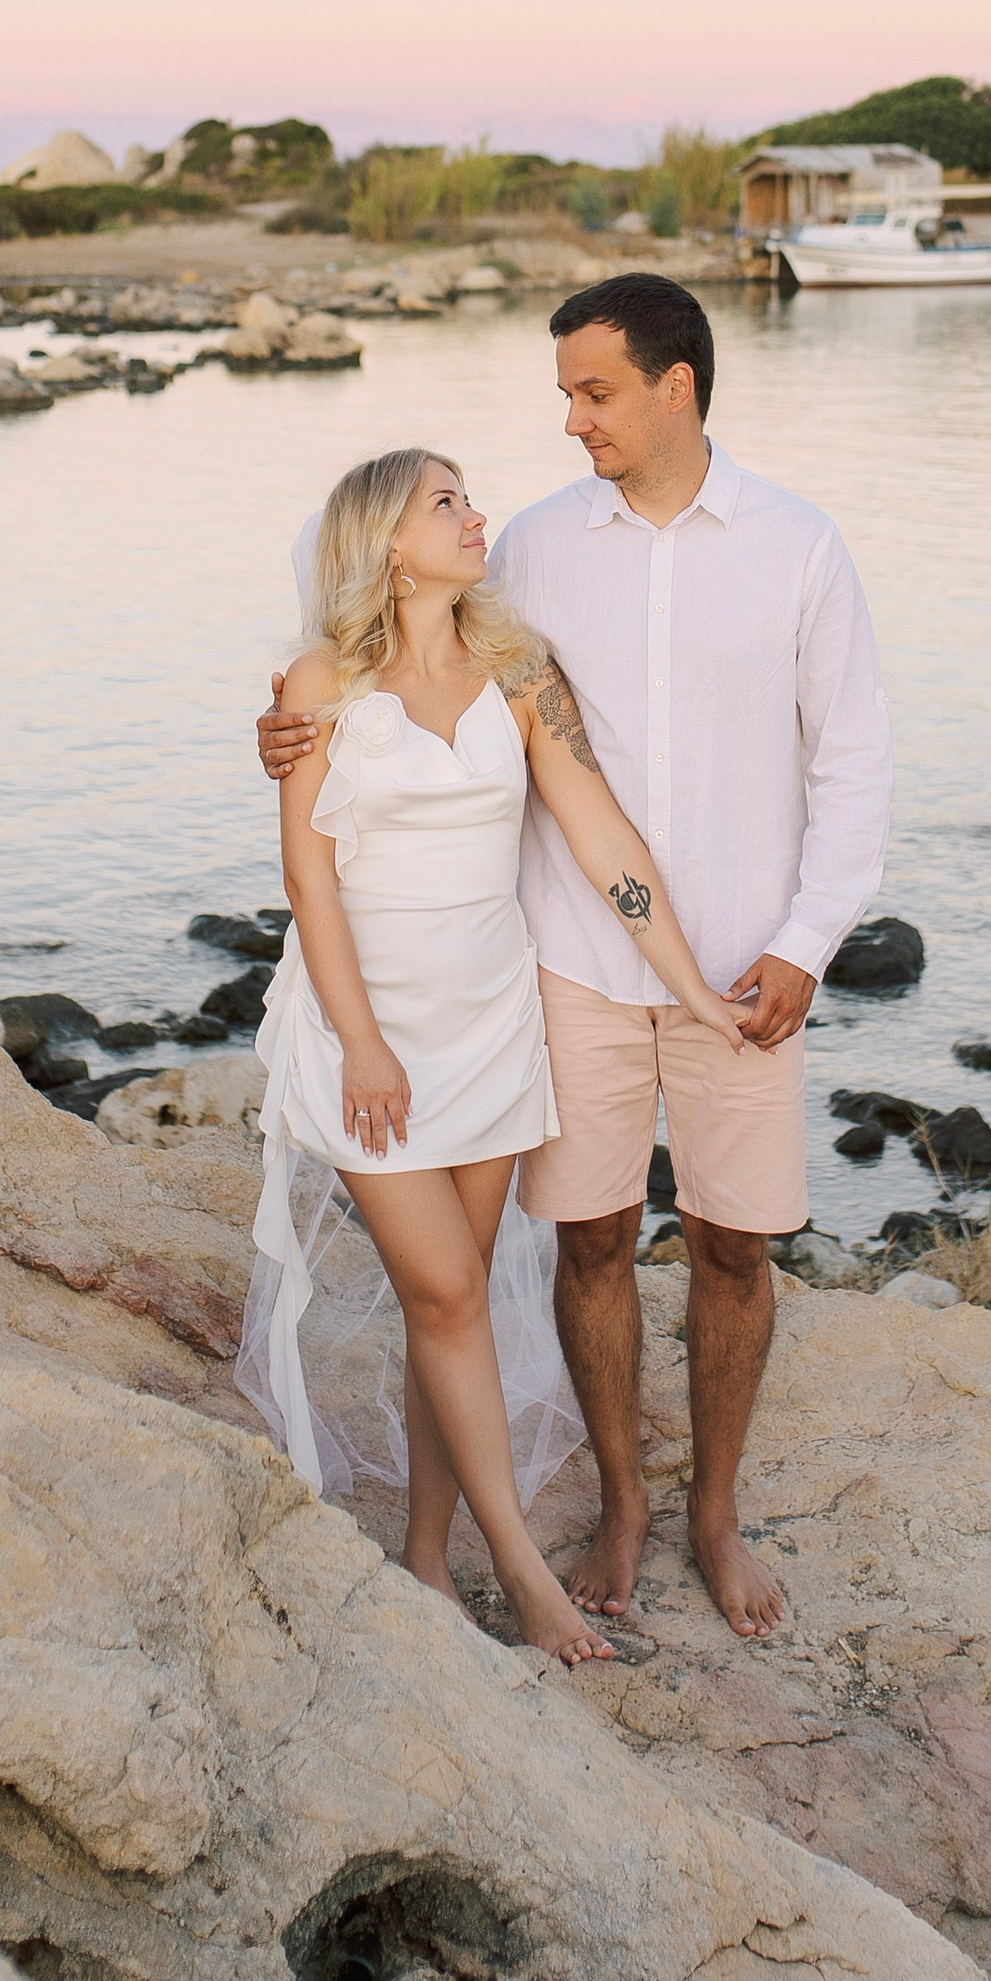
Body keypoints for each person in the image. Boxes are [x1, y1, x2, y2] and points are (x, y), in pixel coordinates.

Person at [262, 275, 892, 1639]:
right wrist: (292, 750)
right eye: (562, 394)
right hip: (535, 981)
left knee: (723, 1251)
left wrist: (784, 955)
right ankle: (598, 1523)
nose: (569, 422)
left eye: (592, 392)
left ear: (676, 385)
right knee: (572, 1248)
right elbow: (326, 804)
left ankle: (689, 1522)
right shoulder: (523, 558)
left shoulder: (794, 547)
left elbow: (839, 771)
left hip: (702, 973)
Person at [243, 443, 749, 1669]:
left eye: (469, 498)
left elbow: (599, 834)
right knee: (451, 1296)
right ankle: (522, 1570)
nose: (478, 518)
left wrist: (690, 989)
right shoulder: (317, 684)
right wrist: (359, 1040)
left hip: (486, 1028)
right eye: (448, 503)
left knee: (445, 1307)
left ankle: (426, 1556)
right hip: (365, 1031)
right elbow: (307, 875)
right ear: (385, 540)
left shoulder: (519, 672)